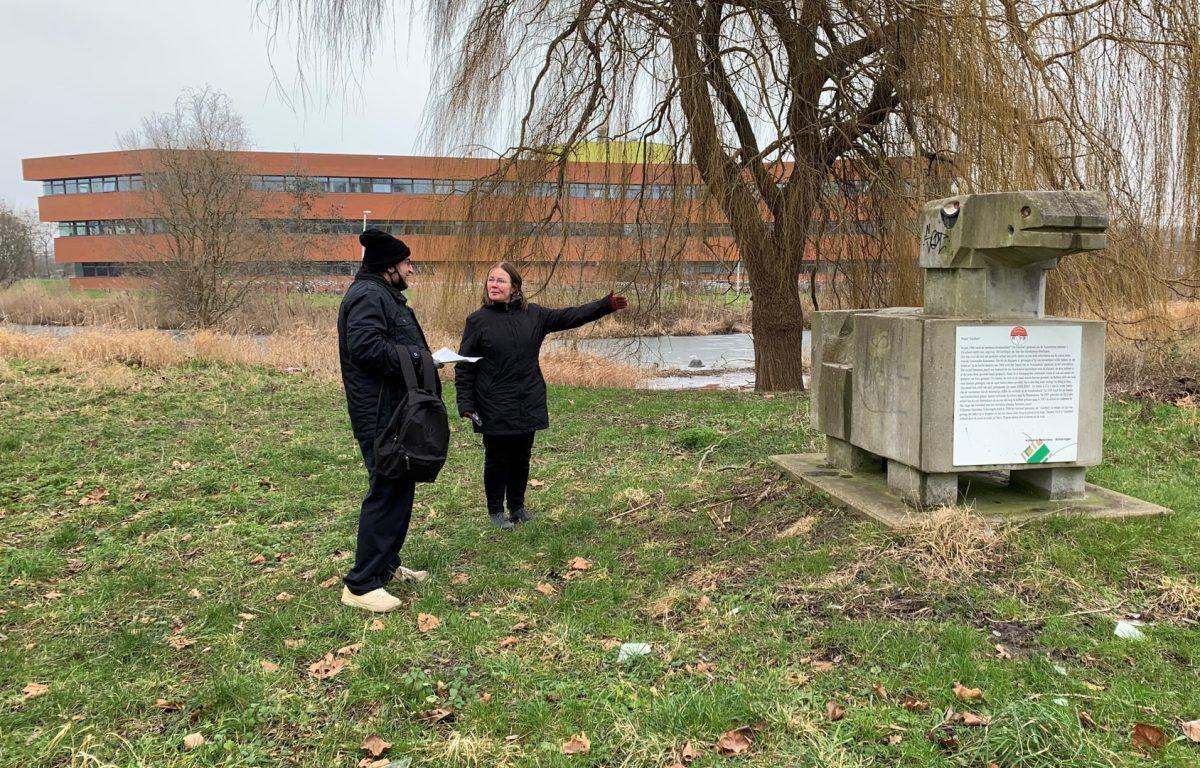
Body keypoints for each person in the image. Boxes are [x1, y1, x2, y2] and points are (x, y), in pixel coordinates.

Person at [455, 262, 628, 530]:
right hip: (493, 402)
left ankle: (517, 507)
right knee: (497, 457)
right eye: (491, 280)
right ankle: (495, 512)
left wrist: (604, 305)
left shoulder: (534, 315)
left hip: (528, 397)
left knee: (521, 455)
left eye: (500, 281)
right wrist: (465, 403)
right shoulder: (477, 321)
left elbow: (571, 316)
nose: (494, 285)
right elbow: (465, 364)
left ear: (515, 287)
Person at [336, 228, 436, 613]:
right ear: (390, 266)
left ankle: (386, 565)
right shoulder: (367, 295)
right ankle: (361, 584)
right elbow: (366, 348)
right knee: (386, 489)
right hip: (379, 412)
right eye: (407, 262)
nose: (411, 268)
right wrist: (419, 360)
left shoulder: (381, 294)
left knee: (400, 485)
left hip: (395, 408)